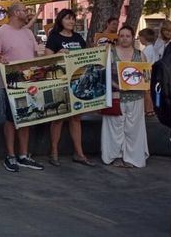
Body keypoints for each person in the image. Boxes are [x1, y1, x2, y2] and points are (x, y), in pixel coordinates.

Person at [0, 2, 44, 172]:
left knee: (26, 117)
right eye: (24, 10)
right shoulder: (0, 32)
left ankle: (23, 155)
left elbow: (36, 55)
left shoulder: (29, 32)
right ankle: (10, 155)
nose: (27, 13)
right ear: (15, 13)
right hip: (11, 83)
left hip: (29, 82)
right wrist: (0, 60)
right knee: (11, 119)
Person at [44, 9, 93, 166]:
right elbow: (46, 59)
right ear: (60, 21)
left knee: (76, 118)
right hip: (60, 81)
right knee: (58, 118)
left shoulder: (78, 37)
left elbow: (86, 56)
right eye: (67, 19)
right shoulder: (54, 37)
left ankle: (79, 153)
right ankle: (54, 152)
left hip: (78, 82)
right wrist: (59, 53)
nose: (71, 22)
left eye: (73, 19)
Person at [101, 25, 152, 168]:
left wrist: (147, 97)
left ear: (132, 37)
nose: (124, 39)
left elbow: (146, 77)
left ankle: (132, 157)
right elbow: (103, 72)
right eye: (122, 35)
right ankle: (115, 156)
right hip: (116, 96)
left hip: (136, 97)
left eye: (127, 36)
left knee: (134, 130)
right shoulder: (110, 52)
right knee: (114, 129)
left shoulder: (140, 54)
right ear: (118, 37)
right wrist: (117, 85)